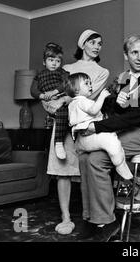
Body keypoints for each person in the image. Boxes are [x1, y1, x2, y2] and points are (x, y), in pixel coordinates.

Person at [76, 34, 140, 241]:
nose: (139, 56)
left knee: (97, 159)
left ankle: (107, 223)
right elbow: (116, 110)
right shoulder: (124, 78)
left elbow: (135, 117)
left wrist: (96, 127)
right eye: (134, 52)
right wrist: (117, 101)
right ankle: (91, 219)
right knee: (84, 157)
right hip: (130, 131)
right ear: (126, 55)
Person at [34, 29, 109, 235]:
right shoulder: (65, 67)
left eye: (100, 43)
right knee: (62, 171)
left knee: (89, 170)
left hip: (85, 126)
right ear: (82, 44)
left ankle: (92, 216)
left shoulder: (102, 72)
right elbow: (50, 94)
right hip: (62, 125)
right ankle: (66, 217)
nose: (96, 46)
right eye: (92, 42)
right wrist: (49, 102)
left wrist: (62, 99)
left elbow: (86, 96)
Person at [64, 72, 133, 180]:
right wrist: (102, 96)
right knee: (111, 139)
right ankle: (120, 165)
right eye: (86, 83)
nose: (90, 85)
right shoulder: (82, 101)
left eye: (90, 83)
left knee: (89, 157)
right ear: (76, 89)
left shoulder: (73, 103)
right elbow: (93, 110)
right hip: (88, 137)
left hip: (80, 141)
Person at [30, 42, 70, 159]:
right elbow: (33, 91)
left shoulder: (62, 72)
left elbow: (66, 84)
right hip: (49, 102)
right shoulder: (39, 75)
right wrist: (43, 96)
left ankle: (69, 136)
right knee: (61, 111)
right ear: (44, 62)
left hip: (61, 96)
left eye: (57, 61)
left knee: (70, 107)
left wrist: (54, 92)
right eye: (51, 60)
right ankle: (58, 143)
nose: (54, 63)